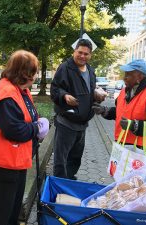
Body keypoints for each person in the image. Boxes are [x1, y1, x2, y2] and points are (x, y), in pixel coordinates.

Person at [0, 50, 49, 225]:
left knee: (12, 209)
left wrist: (36, 123)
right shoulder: (7, 96)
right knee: (1, 214)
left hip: (13, 160)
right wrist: (37, 128)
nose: (36, 76)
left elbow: (24, 117)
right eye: (34, 71)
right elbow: (15, 131)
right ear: (26, 73)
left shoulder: (19, 89)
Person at [93, 59, 146, 164]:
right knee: (120, 176)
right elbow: (121, 112)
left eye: (128, 75)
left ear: (139, 77)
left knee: (138, 179)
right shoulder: (125, 91)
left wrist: (134, 125)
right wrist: (104, 110)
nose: (124, 78)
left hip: (145, 148)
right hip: (123, 142)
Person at [50, 39, 99, 179]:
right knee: (61, 158)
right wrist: (64, 96)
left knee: (76, 157)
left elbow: (90, 89)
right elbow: (54, 89)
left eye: (86, 54)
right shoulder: (65, 67)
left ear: (90, 55)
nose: (83, 56)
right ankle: (59, 186)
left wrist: (96, 93)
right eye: (80, 52)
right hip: (67, 122)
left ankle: (70, 181)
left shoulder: (90, 69)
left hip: (82, 124)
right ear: (74, 51)